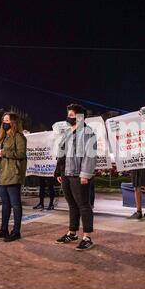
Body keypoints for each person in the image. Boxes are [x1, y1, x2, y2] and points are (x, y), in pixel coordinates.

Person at [54, 103, 97, 251]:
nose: (68, 117)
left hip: (79, 174)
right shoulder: (67, 133)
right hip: (66, 173)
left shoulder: (87, 131)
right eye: (68, 115)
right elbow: (61, 154)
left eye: (72, 115)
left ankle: (87, 237)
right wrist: (58, 172)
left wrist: (85, 174)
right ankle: (72, 233)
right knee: (72, 204)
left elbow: (90, 155)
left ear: (80, 116)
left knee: (84, 205)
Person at [0, 112, 27, 242]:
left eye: (7, 120)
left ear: (14, 122)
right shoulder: (4, 137)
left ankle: (16, 231)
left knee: (15, 204)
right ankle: (3, 229)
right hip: (2, 175)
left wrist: (4, 152)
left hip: (13, 175)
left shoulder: (19, 137)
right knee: (5, 204)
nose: (4, 122)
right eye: (3, 120)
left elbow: (21, 154)